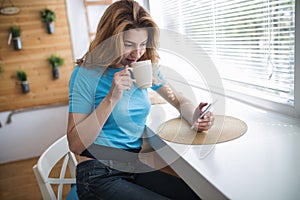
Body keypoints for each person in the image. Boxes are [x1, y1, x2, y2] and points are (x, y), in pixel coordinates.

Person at [67, 0, 214, 199]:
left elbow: (179, 100)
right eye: (128, 45)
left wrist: (196, 116)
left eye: (143, 44)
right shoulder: (85, 74)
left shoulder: (143, 67)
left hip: (133, 166)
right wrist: (111, 98)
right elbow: (75, 144)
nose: (137, 53)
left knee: (197, 196)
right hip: (98, 174)